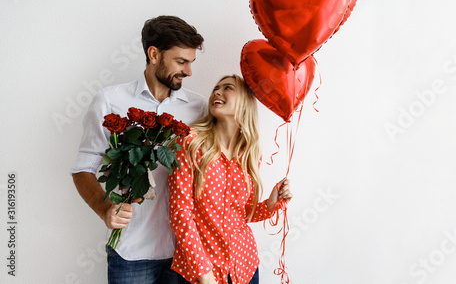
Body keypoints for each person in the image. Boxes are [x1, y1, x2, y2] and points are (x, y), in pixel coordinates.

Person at [70, 15, 206, 284]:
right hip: (132, 253)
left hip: (187, 253)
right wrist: (104, 208)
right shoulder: (110, 101)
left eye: (191, 62)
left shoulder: (198, 108)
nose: (189, 72)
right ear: (154, 54)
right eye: (181, 62)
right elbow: (82, 168)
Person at [167, 75, 293, 284]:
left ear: (245, 102)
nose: (217, 92)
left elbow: (241, 215)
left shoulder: (250, 155)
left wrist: (271, 204)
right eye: (216, 88)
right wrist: (203, 271)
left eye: (228, 88)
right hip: (200, 273)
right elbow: (180, 213)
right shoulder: (189, 143)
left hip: (244, 268)